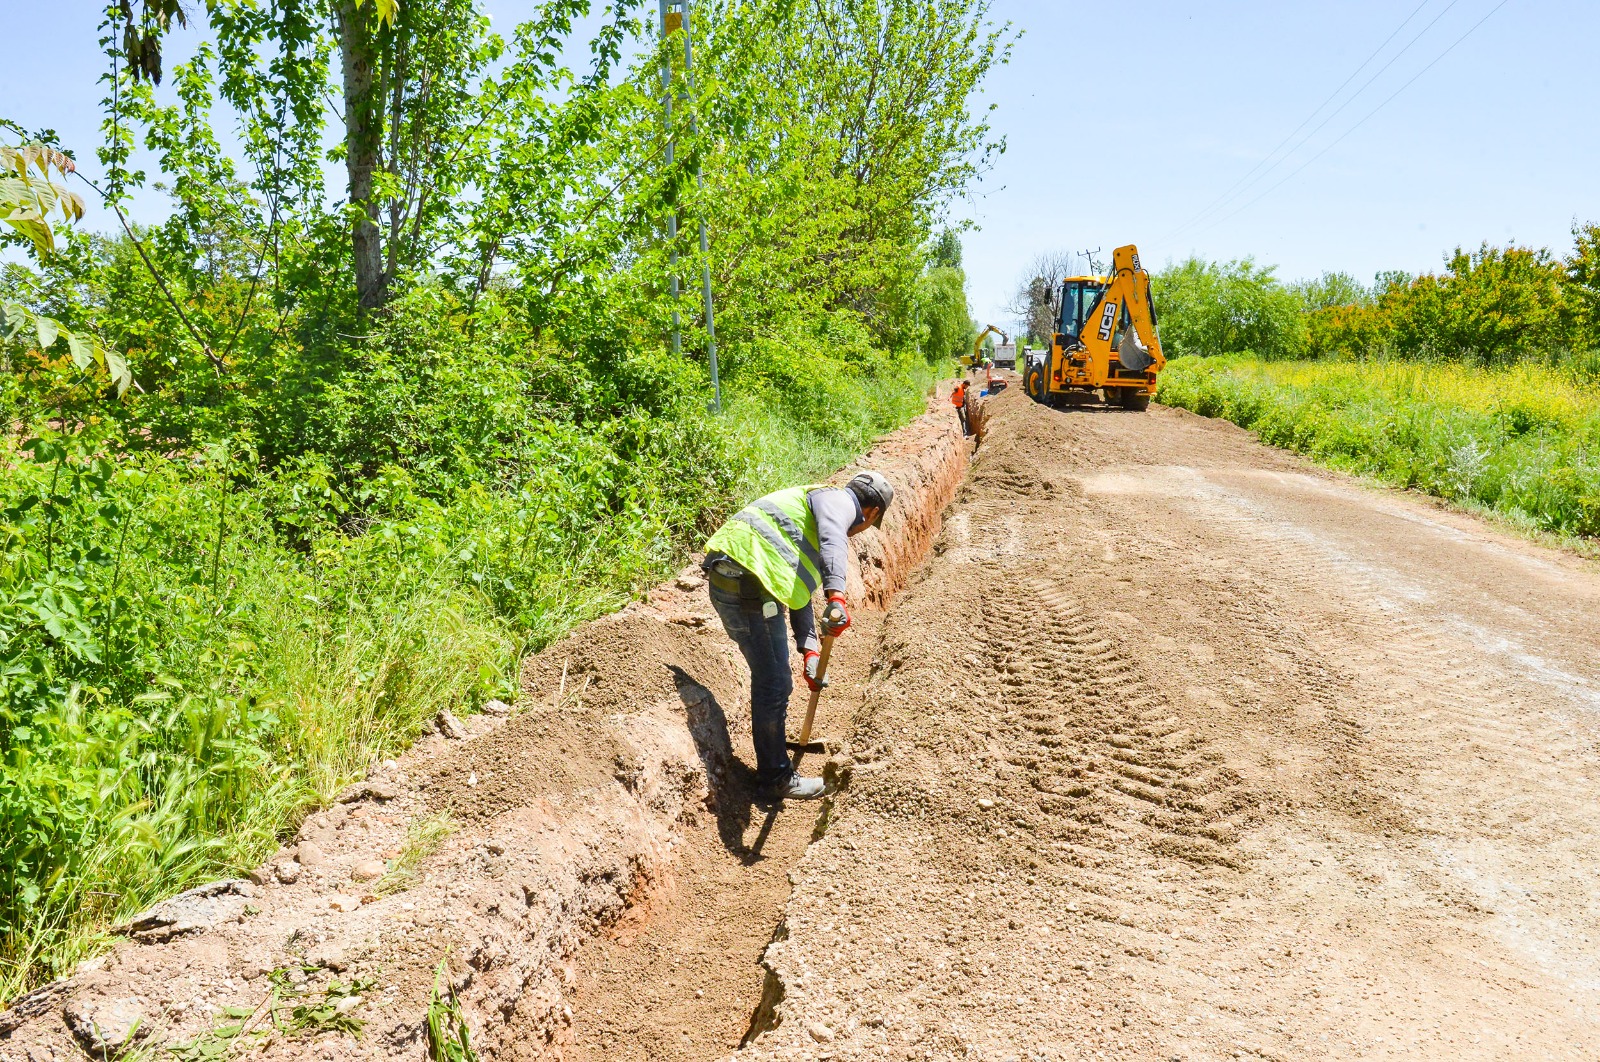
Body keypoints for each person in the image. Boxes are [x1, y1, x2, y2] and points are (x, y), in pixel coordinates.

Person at [702, 471, 896, 801]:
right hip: (748, 584)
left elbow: (798, 592)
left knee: (772, 676)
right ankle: (776, 777)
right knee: (774, 681)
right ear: (872, 513)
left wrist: (809, 650)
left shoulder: (810, 515)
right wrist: (837, 596)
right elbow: (836, 539)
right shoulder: (836, 502)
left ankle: (773, 764)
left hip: (735, 580)